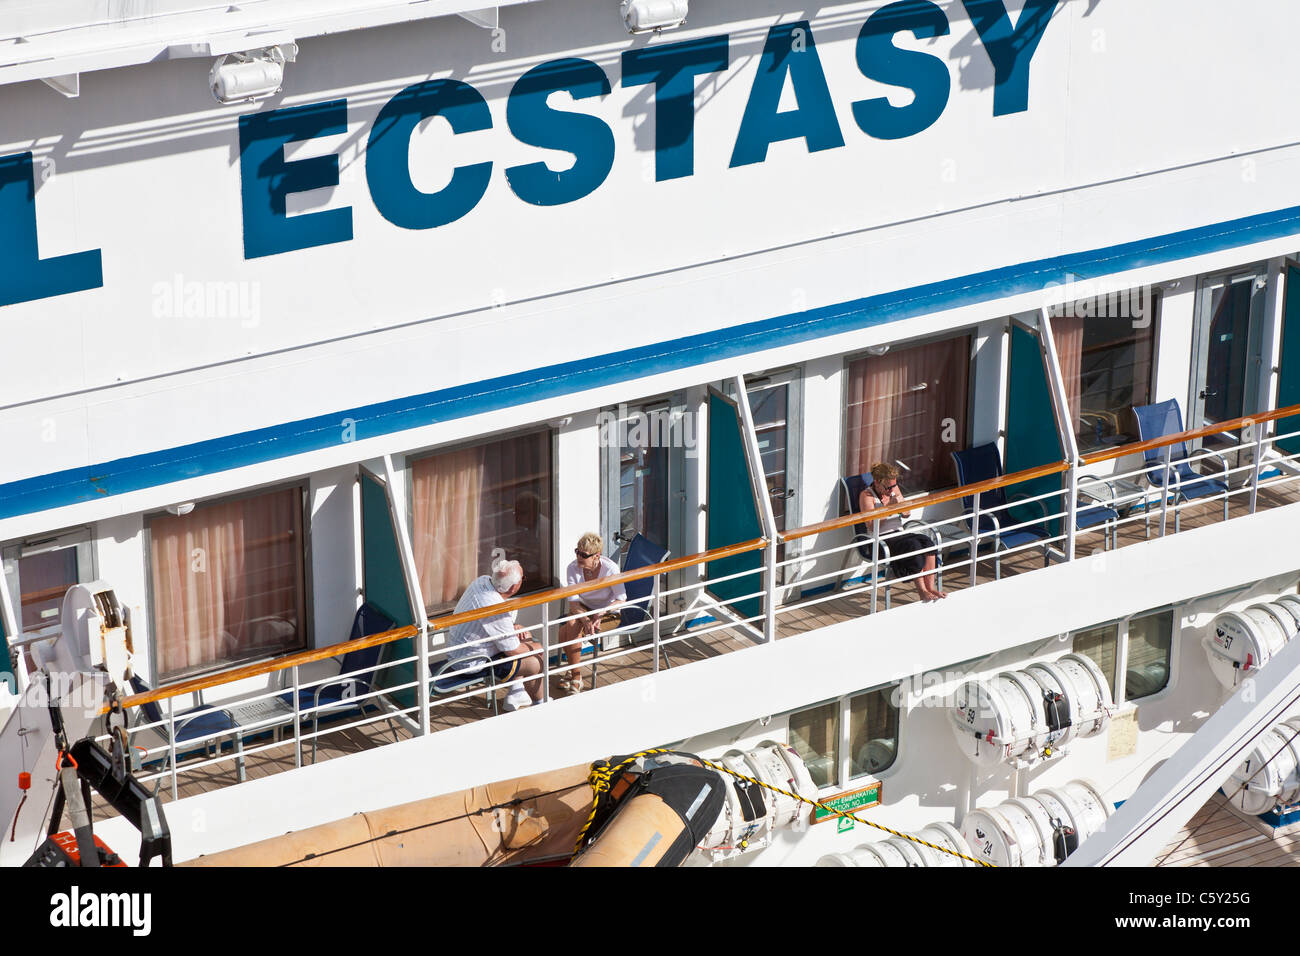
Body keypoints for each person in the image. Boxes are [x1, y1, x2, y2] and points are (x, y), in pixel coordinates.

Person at [447, 549, 544, 711]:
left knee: (523, 635)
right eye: (523, 578)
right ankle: (540, 705)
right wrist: (539, 647)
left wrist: (516, 632)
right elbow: (514, 651)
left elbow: (490, 626)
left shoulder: (481, 582)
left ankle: (517, 692)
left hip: (457, 652)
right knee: (535, 661)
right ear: (514, 588)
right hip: (471, 663)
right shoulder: (496, 609)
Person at [858, 463, 946, 602]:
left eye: (894, 485)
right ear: (877, 483)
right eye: (888, 487)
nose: (891, 490)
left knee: (927, 542)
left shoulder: (894, 489)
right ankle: (922, 591)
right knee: (913, 546)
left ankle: (930, 587)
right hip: (880, 541)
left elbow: (907, 514)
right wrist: (889, 509)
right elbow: (872, 526)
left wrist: (901, 507)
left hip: (899, 534)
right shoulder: (867, 496)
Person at [557, 532, 626, 695]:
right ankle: (577, 676)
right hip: (583, 608)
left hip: (608, 612)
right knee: (572, 624)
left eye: (583, 554)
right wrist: (587, 620)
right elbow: (573, 602)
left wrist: (601, 613)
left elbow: (621, 599)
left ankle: (573, 673)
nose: (578, 557)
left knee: (565, 630)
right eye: (577, 551)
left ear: (596, 556)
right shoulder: (573, 568)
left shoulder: (610, 569)